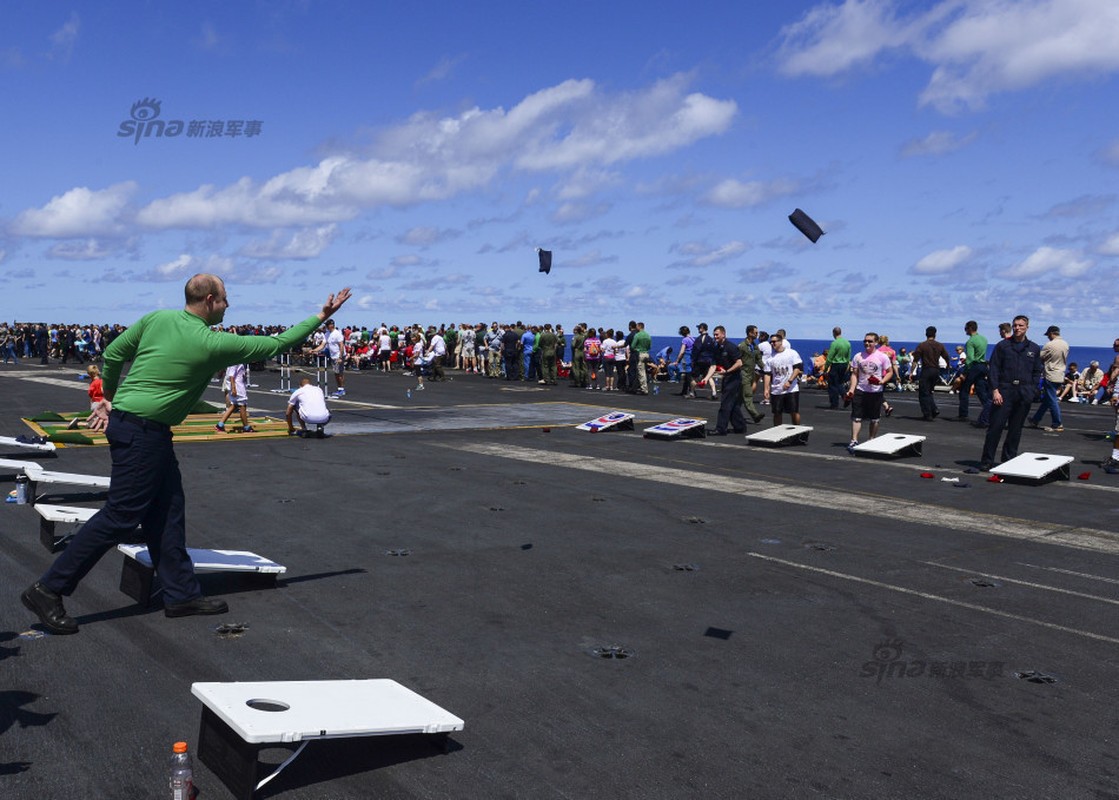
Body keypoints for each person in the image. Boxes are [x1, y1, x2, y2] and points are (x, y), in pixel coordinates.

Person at [21, 274, 351, 634]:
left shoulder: (156, 318)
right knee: (120, 516)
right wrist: (320, 316)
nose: (228, 304)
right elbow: (278, 343)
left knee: (167, 511)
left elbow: (113, 353)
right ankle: (48, 589)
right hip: (142, 434)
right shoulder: (212, 342)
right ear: (210, 300)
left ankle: (180, 594)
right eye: (225, 298)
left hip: (143, 430)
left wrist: (105, 398)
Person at [980, 315, 1042, 471]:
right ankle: (987, 461)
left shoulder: (1034, 348)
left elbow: (1037, 371)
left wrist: (1032, 390)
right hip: (1004, 391)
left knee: (1015, 430)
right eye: (1015, 325)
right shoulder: (1003, 346)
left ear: (1027, 327)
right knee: (995, 427)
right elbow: (993, 369)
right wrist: (995, 391)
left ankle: (1008, 461)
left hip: (1023, 392)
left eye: (1021, 325)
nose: (1017, 328)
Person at [845, 333, 893, 453]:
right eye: (865, 341)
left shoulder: (882, 357)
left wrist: (882, 381)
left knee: (874, 419)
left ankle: (871, 440)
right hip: (861, 390)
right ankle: (854, 441)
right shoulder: (858, 357)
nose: (867, 343)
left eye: (870, 341)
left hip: (876, 392)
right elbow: (855, 374)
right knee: (856, 417)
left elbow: (889, 372)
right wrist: (851, 389)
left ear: (876, 342)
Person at [704, 325, 748, 435]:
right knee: (732, 405)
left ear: (723, 334)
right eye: (714, 335)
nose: (715, 337)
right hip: (727, 378)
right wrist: (706, 378)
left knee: (725, 404)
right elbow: (713, 366)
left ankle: (720, 429)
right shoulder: (717, 348)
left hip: (734, 379)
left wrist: (728, 371)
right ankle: (740, 427)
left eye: (717, 334)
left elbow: (739, 363)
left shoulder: (730, 347)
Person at [1027, 325, 1069, 432]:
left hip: (1050, 374)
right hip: (1060, 374)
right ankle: (1036, 419)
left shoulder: (1050, 345)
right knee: (1047, 399)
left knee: (1052, 400)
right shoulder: (1065, 344)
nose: (1048, 337)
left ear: (1051, 333)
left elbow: (1038, 358)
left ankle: (1057, 423)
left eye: (1048, 335)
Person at [763, 332, 804, 426]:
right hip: (777, 389)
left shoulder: (791, 353)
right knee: (777, 413)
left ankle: (797, 431)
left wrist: (790, 381)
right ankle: (777, 433)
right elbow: (767, 374)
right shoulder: (770, 358)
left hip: (791, 389)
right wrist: (766, 389)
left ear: (781, 342)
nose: (772, 344)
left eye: (774, 342)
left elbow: (797, 368)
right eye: (771, 342)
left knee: (793, 412)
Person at [912, 326, 951, 420]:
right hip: (936, 370)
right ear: (935, 334)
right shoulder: (940, 345)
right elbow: (946, 356)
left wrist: (911, 371)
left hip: (926, 370)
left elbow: (915, 360)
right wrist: (948, 365)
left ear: (926, 334)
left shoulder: (922, 345)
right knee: (929, 391)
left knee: (923, 392)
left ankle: (928, 413)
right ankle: (933, 409)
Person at [956, 320, 990, 422]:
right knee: (980, 390)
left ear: (970, 328)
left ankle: (963, 414)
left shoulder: (970, 341)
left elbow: (970, 358)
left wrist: (965, 372)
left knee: (964, 390)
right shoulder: (984, 339)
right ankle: (989, 409)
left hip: (974, 366)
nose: (965, 330)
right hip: (983, 366)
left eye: (966, 328)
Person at [737, 325, 766, 424]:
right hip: (743, 373)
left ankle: (733, 413)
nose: (757, 334)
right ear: (750, 333)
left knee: (740, 397)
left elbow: (758, 359)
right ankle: (755, 415)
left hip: (751, 374)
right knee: (748, 395)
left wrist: (766, 369)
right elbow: (736, 359)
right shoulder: (742, 346)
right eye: (755, 333)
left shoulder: (754, 346)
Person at [215, 362, 254, 433]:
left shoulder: (238, 361)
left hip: (238, 386)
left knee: (234, 406)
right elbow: (231, 376)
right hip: (238, 387)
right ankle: (246, 427)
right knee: (242, 406)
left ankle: (220, 424)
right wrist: (233, 388)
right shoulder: (236, 362)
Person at [312, 319, 347, 397]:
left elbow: (341, 345)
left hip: (339, 355)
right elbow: (322, 345)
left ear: (331, 325)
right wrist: (314, 350)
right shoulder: (327, 334)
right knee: (336, 373)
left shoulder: (337, 333)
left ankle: (341, 389)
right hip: (333, 355)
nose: (326, 326)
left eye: (327, 325)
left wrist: (340, 357)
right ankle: (340, 388)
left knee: (339, 373)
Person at [824, 326, 851, 410]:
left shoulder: (834, 343)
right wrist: (847, 366)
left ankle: (834, 403)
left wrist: (826, 368)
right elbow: (849, 356)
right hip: (844, 365)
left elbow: (830, 357)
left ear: (834, 333)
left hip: (836, 364)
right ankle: (845, 396)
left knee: (832, 384)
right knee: (839, 382)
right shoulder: (847, 343)